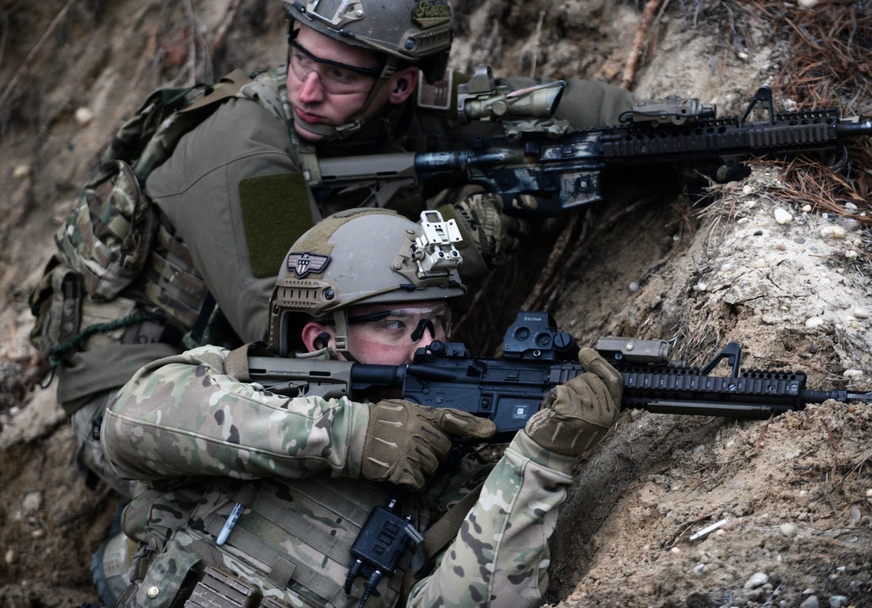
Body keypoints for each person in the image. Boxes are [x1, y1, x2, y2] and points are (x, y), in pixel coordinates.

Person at [39, 0, 634, 499]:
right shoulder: (246, 145)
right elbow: (291, 316)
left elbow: (544, 106)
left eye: (341, 74)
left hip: (258, 357)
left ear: (401, 84)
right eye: (301, 56)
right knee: (329, 499)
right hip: (145, 392)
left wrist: (654, 133)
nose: (308, 88)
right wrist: (475, 228)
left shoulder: (401, 104)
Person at [99, 208, 624, 607]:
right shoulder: (239, 381)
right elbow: (129, 422)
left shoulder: (458, 469)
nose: (427, 346)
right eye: (396, 325)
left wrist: (537, 462)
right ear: (317, 339)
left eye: (437, 322)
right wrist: (350, 434)